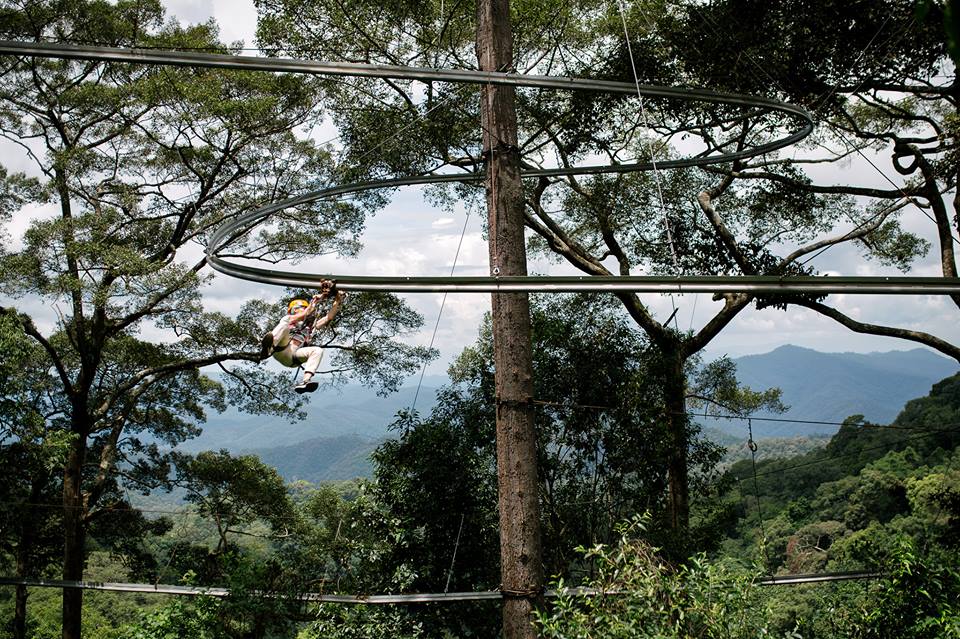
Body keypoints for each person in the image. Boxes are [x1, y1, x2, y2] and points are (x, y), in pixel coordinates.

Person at [259, 281, 345, 393]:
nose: (300, 310)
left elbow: (329, 317)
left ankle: (305, 381)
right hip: (281, 349)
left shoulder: (311, 326)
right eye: (298, 308)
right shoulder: (290, 319)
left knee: (317, 351)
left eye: (302, 307)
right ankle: (268, 347)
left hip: (294, 357)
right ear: (292, 310)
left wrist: (337, 301)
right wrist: (317, 299)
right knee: (284, 323)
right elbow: (304, 314)